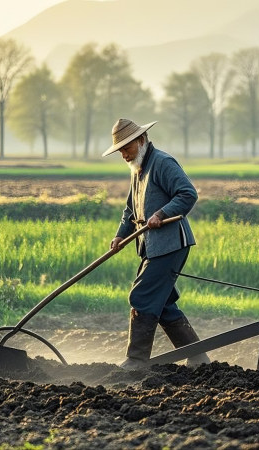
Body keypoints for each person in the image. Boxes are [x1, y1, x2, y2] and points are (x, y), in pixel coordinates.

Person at [102, 118, 210, 370]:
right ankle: (198, 358)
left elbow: (187, 194)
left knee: (141, 296)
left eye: (126, 148)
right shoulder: (138, 169)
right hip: (152, 247)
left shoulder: (162, 162)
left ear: (141, 140)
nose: (123, 154)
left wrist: (160, 214)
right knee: (161, 304)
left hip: (171, 244)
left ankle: (136, 360)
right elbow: (131, 208)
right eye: (120, 150)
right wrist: (120, 235)